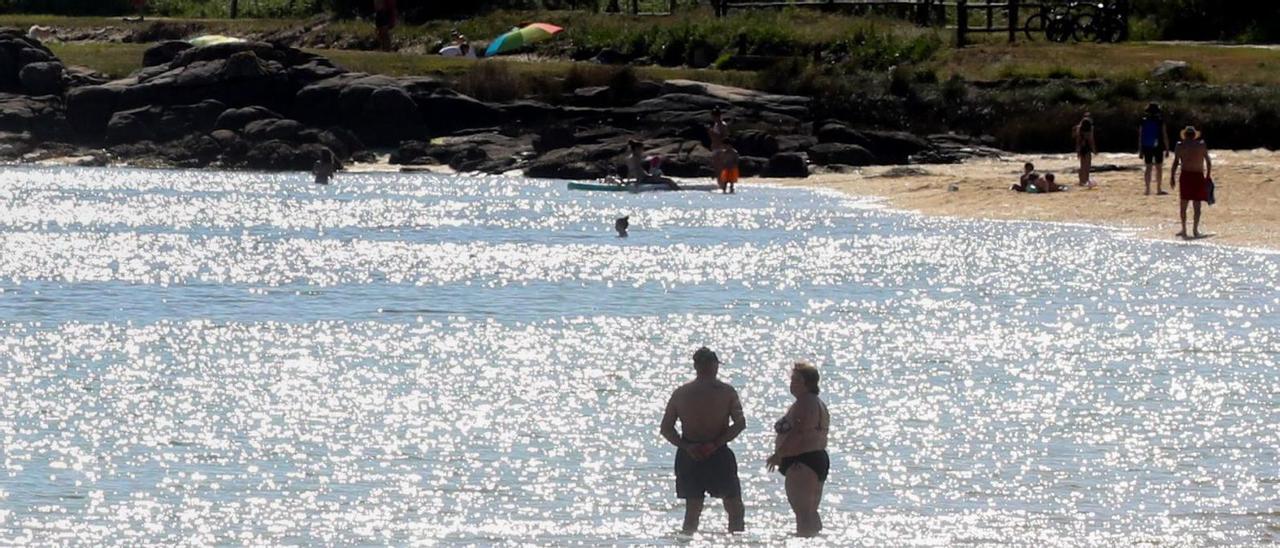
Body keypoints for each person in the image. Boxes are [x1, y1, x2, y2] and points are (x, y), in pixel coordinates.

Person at [660, 347, 746, 535]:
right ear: (714, 365)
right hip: (718, 452)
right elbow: (740, 424)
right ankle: (737, 542)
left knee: (692, 511)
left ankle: (687, 542)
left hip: (690, 453)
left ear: (696, 366)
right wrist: (715, 444)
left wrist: (687, 446)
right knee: (734, 509)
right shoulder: (726, 391)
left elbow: (666, 428)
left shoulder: (681, 393)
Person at [767, 362, 830, 538]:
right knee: (809, 512)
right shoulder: (815, 403)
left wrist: (778, 455)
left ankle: (804, 540)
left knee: (803, 515)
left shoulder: (805, 403)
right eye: (792, 379)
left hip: (802, 461)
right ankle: (815, 541)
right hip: (814, 459)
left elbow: (798, 433)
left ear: (807, 383)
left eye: (796, 380)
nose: (791, 383)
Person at [1169, 125, 1212, 239]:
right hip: (1198, 175)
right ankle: (1195, 230)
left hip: (1186, 176)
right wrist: (1207, 176)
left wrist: (1172, 176)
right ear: (1194, 136)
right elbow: (1208, 162)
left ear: (1185, 135)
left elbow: (1175, 162)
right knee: (1197, 205)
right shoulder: (1201, 145)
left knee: (1183, 204)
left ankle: (1184, 229)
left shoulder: (1180, 146)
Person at [1139, 102, 1171, 196]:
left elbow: (1141, 136)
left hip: (1146, 146)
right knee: (1159, 168)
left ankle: (1147, 189)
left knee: (1148, 168)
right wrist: (1167, 148)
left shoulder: (1143, 121)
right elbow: (1164, 135)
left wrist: (1140, 150)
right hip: (1158, 146)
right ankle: (1158, 189)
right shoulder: (1160, 121)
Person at [1073, 113, 1097, 186]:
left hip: (1081, 148)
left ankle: (1081, 180)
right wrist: (1094, 150)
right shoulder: (1090, 129)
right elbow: (1091, 140)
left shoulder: (1079, 128)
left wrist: (1078, 151)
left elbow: (1077, 140)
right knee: (1087, 165)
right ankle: (1086, 180)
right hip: (1087, 148)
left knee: (1082, 165)